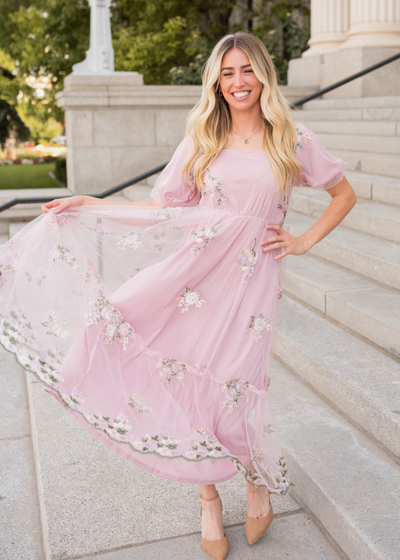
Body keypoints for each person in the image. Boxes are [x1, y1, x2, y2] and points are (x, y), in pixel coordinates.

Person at [0, 32, 356, 560]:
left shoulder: (292, 138)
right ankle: (208, 499)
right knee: (167, 368)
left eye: (247, 71)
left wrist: (303, 240)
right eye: (227, 73)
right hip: (191, 279)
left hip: (251, 289)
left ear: (263, 74)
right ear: (216, 80)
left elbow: (343, 193)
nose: (238, 83)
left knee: (237, 386)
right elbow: (163, 209)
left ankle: (256, 483)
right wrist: (92, 204)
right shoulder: (202, 139)